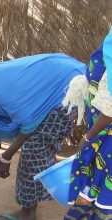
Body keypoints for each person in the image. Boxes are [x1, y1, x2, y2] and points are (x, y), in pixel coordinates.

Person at [0, 53, 87, 220]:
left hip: (65, 88)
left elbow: (28, 125)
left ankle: (27, 214)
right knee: (36, 151)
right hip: (60, 78)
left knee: (33, 151)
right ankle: (30, 208)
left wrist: (6, 157)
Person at [63, 33, 112, 219]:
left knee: (99, 196)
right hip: (103, 137)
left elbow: (109, 107)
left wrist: (87, 136)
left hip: (105, 139)